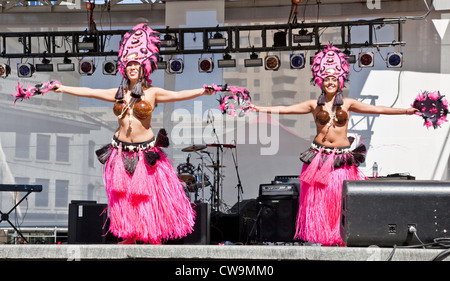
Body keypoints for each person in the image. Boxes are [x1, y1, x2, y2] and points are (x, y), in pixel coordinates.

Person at [52, 23, 213, 244]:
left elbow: (179, 94)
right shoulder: (118, 93)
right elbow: (90, 91)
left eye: (136, 65)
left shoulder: (152, 92)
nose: (132, 68)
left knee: (147, 196)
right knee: (123, 197)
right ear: (124, 69)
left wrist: (202, 90)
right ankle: (131, 234)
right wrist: (63, 88)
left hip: (145, 153)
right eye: (129, 65)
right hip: (120, 151)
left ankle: (152, 235)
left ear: (144, 68)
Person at [252, 44, 418, 246]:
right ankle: (323, 237)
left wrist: (406, 111)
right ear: (320, 82)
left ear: (339, 82)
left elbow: (377, 109)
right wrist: (258, 108)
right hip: (319, 158)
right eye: (326, 80)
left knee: (339, 200)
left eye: (333, 80)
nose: (330, 83)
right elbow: (285, 109)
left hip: (341, 159)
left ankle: (338, 236)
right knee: (319, 200)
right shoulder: (314, 105)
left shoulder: (348, 104)